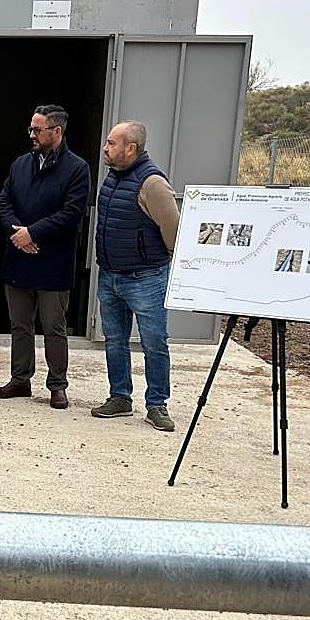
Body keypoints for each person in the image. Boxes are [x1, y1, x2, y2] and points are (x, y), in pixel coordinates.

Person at [0, 105, 90, 410]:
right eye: (31, 129)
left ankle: (57, 385)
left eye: (38, 130)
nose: (32, 135)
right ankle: (20, 379)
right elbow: (4, 201)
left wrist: (32, 234)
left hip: (53, 261)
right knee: (20, 325)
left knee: (53, 326)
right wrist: (18, 235)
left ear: (56, 132)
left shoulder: (77, 168)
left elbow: (71, 214)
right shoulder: (21, 164)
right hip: (19, 257)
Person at [91, 120, 181, 432]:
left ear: (131, 149)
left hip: (145, 278)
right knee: (115, 340)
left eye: (112, 143)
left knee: (154, 342)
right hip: (110, 276)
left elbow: (172, 228)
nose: (105, 148)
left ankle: (157, 404)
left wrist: (161, 263)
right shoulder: (113, 177)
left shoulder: (152, 182)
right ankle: (120, 397)